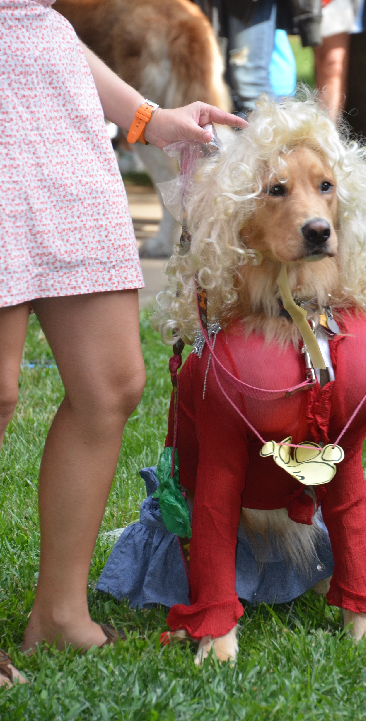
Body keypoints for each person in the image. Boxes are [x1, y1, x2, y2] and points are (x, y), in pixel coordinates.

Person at [0, 0, 246, 687]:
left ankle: (58, 612)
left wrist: (146, 117)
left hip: (56, 123)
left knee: (110, 383)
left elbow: (35, 25)